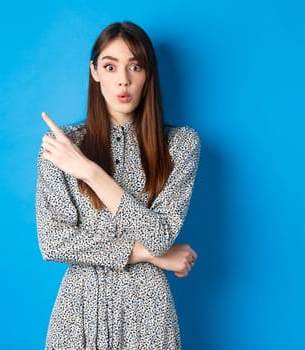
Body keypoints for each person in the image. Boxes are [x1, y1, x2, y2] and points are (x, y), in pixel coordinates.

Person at [36, 21, 200, 349]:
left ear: (148, 74)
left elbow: (158, 237)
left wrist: (90, 172)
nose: (123, 80)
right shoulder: (63, 146)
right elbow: (53, 243)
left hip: (148, 311)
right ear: (94, 72)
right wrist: (153, 257)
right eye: (110, 66)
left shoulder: (181, 145)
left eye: (134, 67)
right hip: (79, 309)